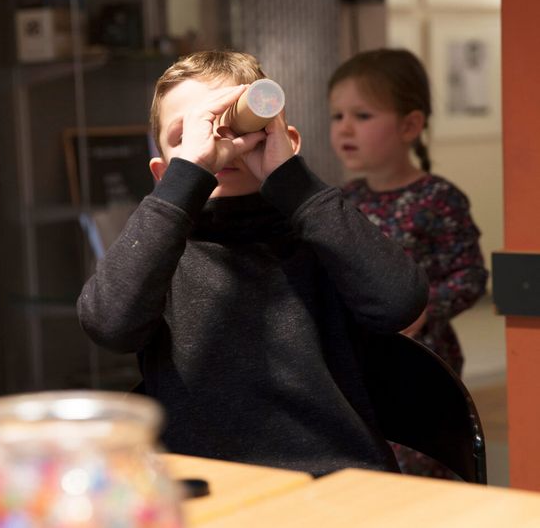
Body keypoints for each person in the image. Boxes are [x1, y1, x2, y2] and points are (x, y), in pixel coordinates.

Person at [77, 49, 428, 478]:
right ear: (162, 172)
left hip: (336, 480)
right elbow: (109, 325)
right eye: (185, 138)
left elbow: (399, 303)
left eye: (238, 129)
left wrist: (292, 180)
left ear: (288, 142)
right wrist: (185, 180)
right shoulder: (157, 248)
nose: (217, 146)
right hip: (205, 483)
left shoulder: (324, 229)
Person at [328, 48, 488, 476]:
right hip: (358, 361)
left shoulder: (438, 198)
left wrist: (424, 307)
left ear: (410, 126)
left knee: (420, 463)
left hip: (423, 363)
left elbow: (470, 276)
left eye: (362, 116)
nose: (345, 128)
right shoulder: (343, 202)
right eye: (337, 116)